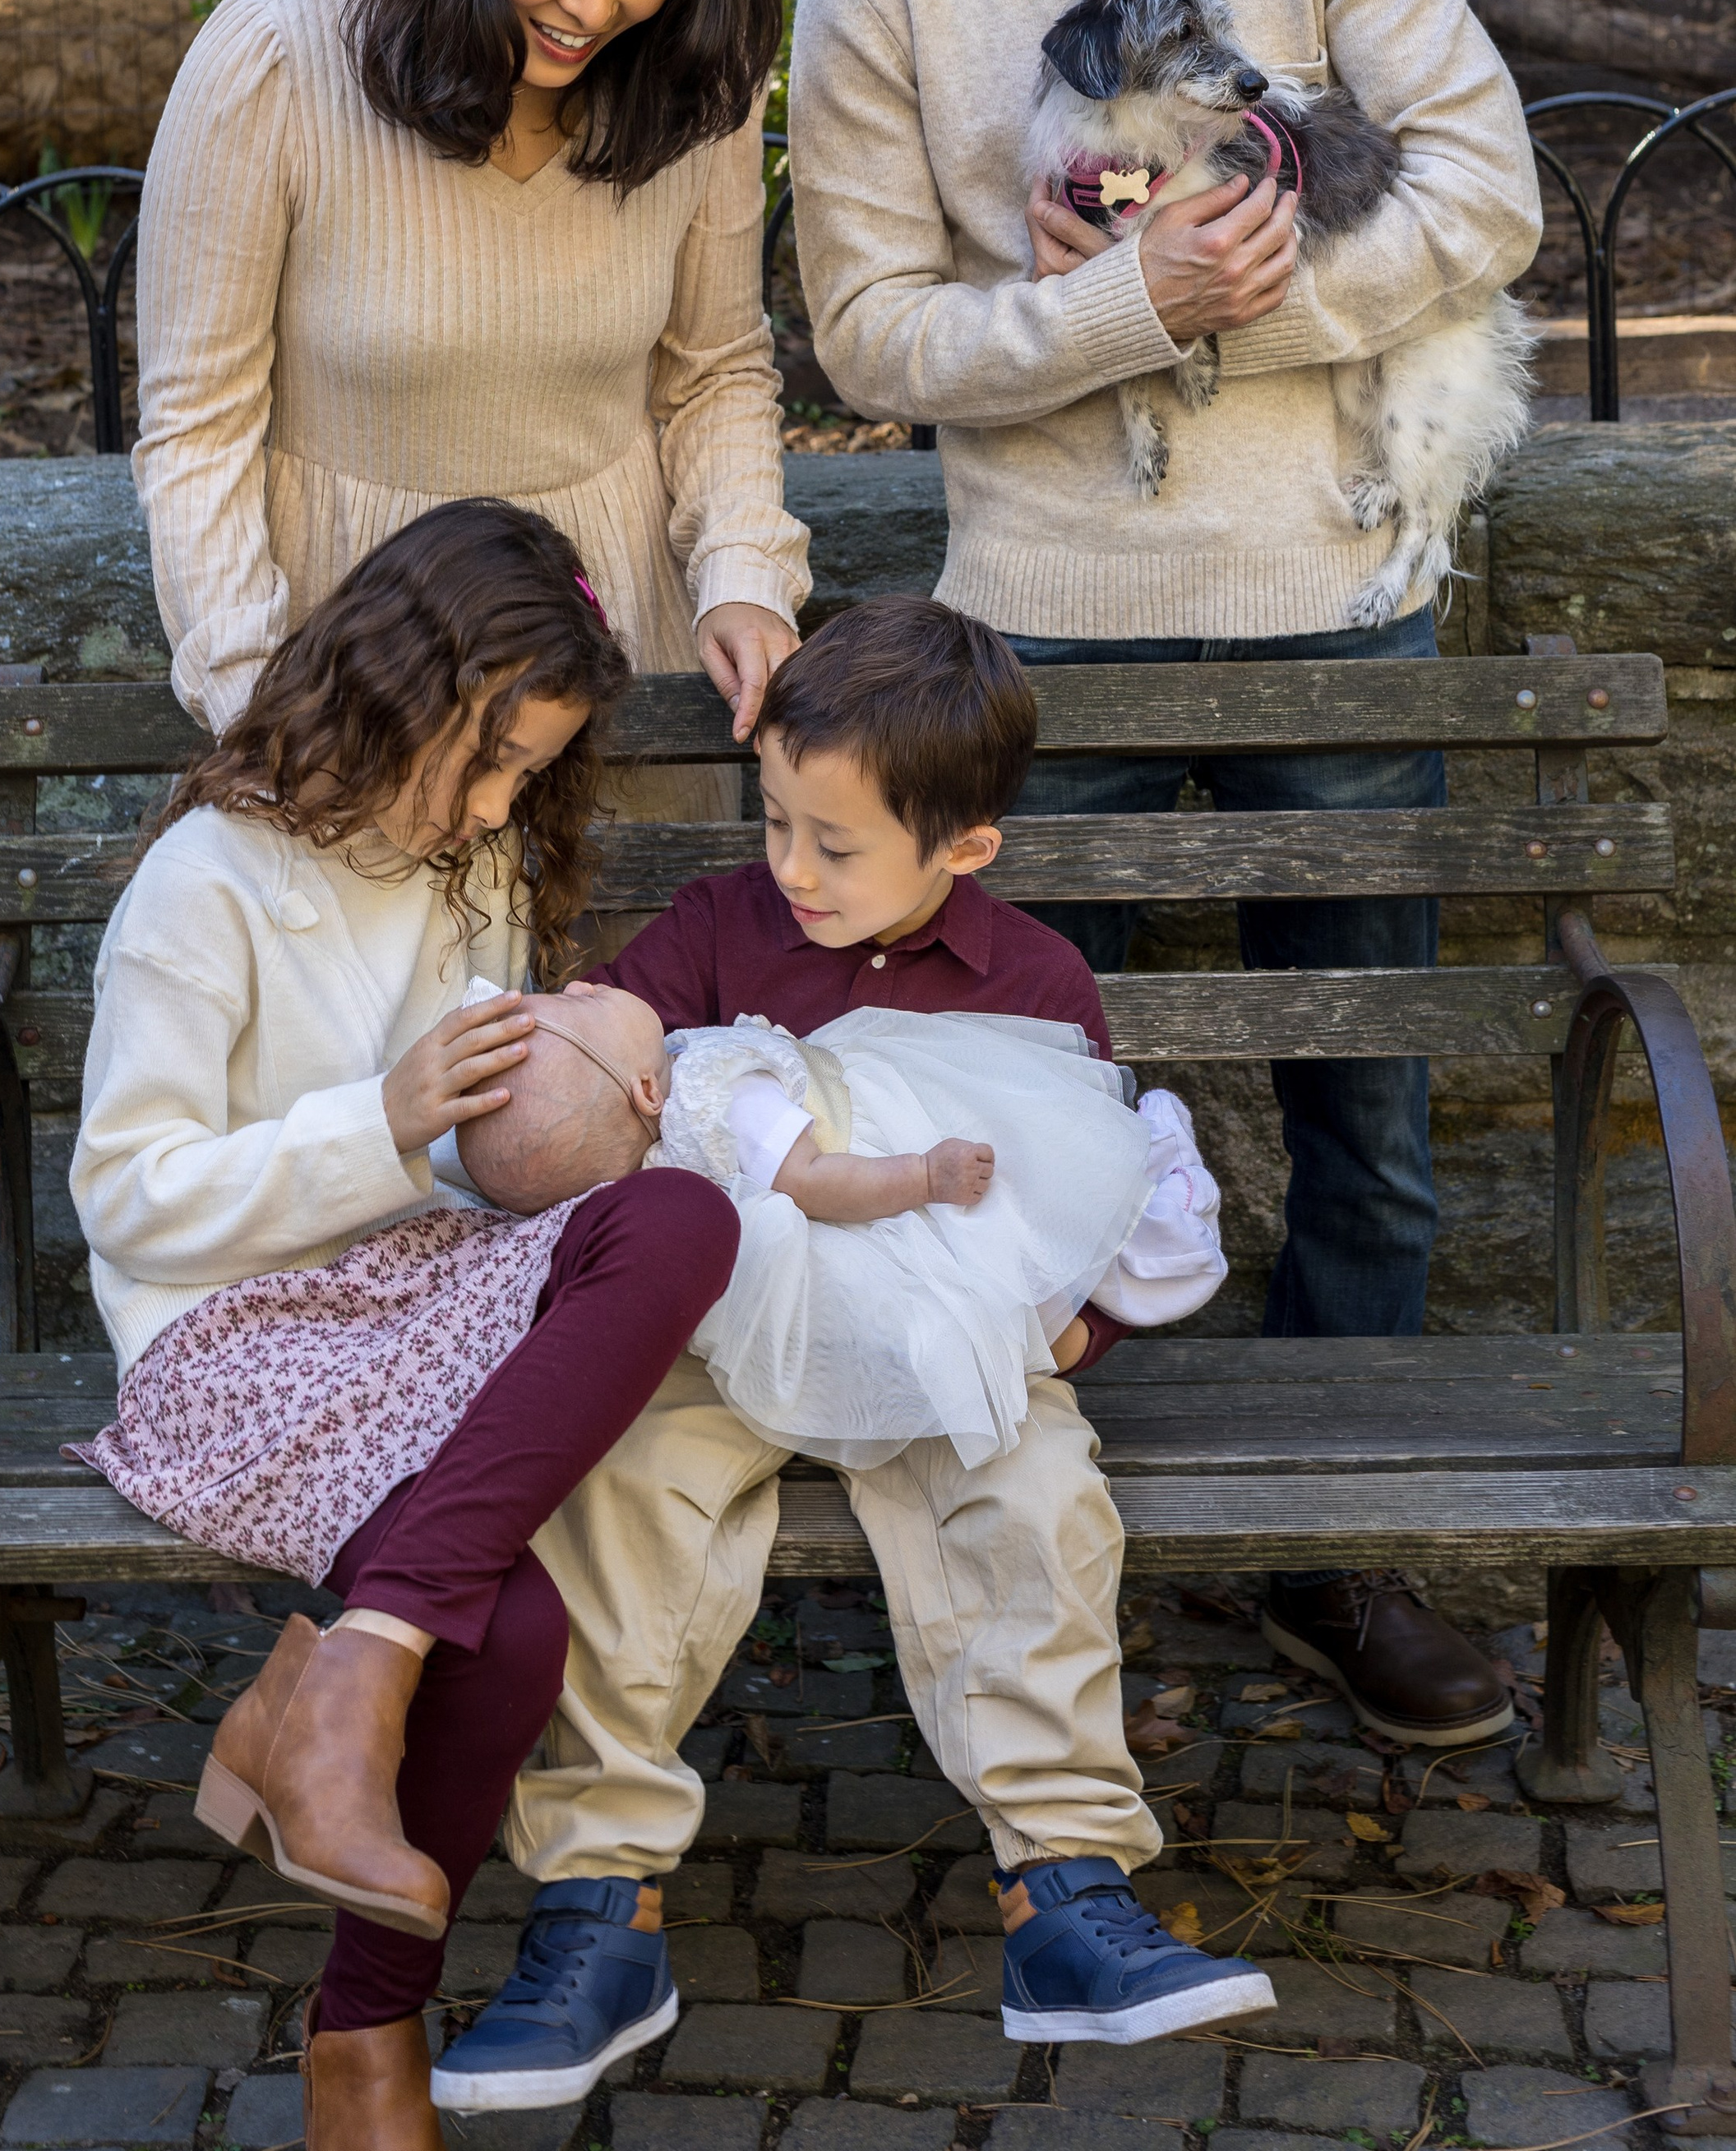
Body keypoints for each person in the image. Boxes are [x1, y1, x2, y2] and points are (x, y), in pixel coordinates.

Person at [786, 0, 1544, 1745]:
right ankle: (1031, 1546)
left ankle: (1342, 1557)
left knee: (1364, 1116)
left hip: (1334, 597)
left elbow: (1487, 190)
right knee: (1018, 1116)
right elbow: (866, 330)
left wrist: (1242, 294)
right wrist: (1115, 309)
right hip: (1036, 630)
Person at [435, 598, 1272, 2119]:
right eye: (776, 824)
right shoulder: (714, 932)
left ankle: (1064, 1887)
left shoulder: (1035, 985)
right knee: (615, 1495)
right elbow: (613, 1096)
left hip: (941, 1342)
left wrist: (1071, 1333)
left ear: (967, 846)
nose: (794, 870)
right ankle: (598, 1904)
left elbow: (1093, 1194)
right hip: (722, 1331)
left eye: (836, 844)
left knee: (1038, 1498)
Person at [64, 501, 741, 2151]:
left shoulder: (474, 860)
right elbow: (125, 1196)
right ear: (395, 691)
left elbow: (480, 1171)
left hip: (422, 1292)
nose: (504, 804)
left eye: (533, 771)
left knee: (679, 1219)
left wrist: (592, 1101)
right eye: (490, 758)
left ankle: (345, 1674)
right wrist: (378, 1122)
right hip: (234, 1339)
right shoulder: (207, 880)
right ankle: (365, 2033)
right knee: (504, 1630)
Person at [132, 0, 808, 796]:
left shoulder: (697, 87)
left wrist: (742, 575)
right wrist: (256, 700)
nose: (592, 6)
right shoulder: (272, 68)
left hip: (612, 669)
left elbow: (713, 371)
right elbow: (198, 427)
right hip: (358, 678)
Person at [452, 981, 1226, 1467]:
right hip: (888, 1168)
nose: (585, 981)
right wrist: (923, 1175)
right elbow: (815, 1180)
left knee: (1002, 1281)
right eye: (583, 1004)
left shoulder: (647, 1169)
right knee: (1026, 1194)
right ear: (647, 1092)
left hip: (858, 1240)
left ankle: (1141, 1244)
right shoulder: (715, 1097)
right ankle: (1161, 1212)